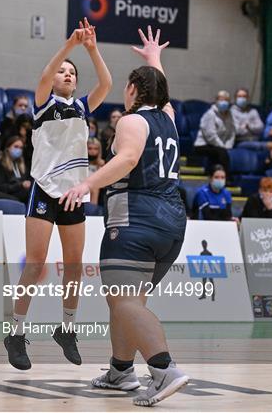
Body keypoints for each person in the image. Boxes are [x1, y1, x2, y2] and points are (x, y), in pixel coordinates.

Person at [60, 26, 189, 407]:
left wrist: (86, 185)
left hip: (136, 217)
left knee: (125, 301)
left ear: (133, 89)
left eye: (128, 86)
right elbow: (161, 90)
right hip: (173, 222)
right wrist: (153, 59)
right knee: (126, 300)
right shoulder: (168, 116)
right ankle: (121, 371)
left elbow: (128, 159)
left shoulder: (131, 121)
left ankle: (164, 370)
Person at [4, 18, 112, 371]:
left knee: (75, 267)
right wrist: (69, 45)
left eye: (72, 72)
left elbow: (107, 83)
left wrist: (92, 50)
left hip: (73, 194)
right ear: (53, 80)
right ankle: (15, 333)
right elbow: (45, 72)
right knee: (34, 266)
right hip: (44, 189)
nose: (66, 74)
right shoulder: (42, 103)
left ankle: (66, 329)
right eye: (62, 72)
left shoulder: (82, 107)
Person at [194, 90, 235, 176]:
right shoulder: (210, 114)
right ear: (216, 100)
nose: (224, 102)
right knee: (222, 153)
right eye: (221, 99)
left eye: (226, 100)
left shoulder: (229, 115)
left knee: (226, 152)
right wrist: (222, 147)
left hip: (220, 146)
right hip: (203, 145)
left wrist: (228, 145)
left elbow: (232, 132)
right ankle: (225, 178)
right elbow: (210, 136)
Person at [0, 136, 31, 203]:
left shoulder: (22, 166)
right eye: (16, 147)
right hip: (8, 196)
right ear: (8, 148)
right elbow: (1, 187)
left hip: (22, 195)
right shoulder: (0, 165)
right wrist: (20, 185)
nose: (19, 150)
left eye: (21, 148)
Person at [87, 137, 105, 207]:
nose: (93, 151)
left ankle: (93, 209)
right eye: (90, 148)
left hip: (98, 197)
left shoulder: (102, 165)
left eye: (95, 149)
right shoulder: (81, 164)